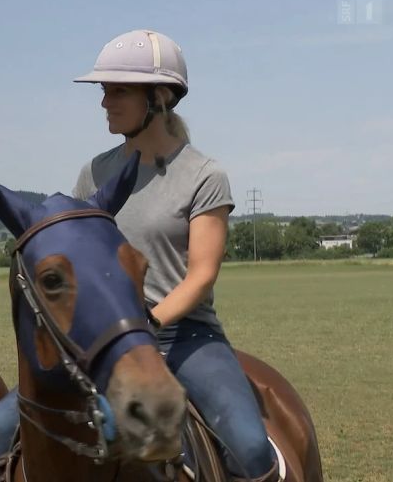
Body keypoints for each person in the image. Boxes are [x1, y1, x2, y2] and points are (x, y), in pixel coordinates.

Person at [70, 29, 279, 482]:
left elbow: (200, 277)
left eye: (118, 89)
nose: (104, 101)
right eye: (103, 90)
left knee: (248, 448)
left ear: (160, 96)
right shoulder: (94, 173)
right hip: (106, 342)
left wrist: (146, 326)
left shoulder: (204, 176)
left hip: (184, 338)